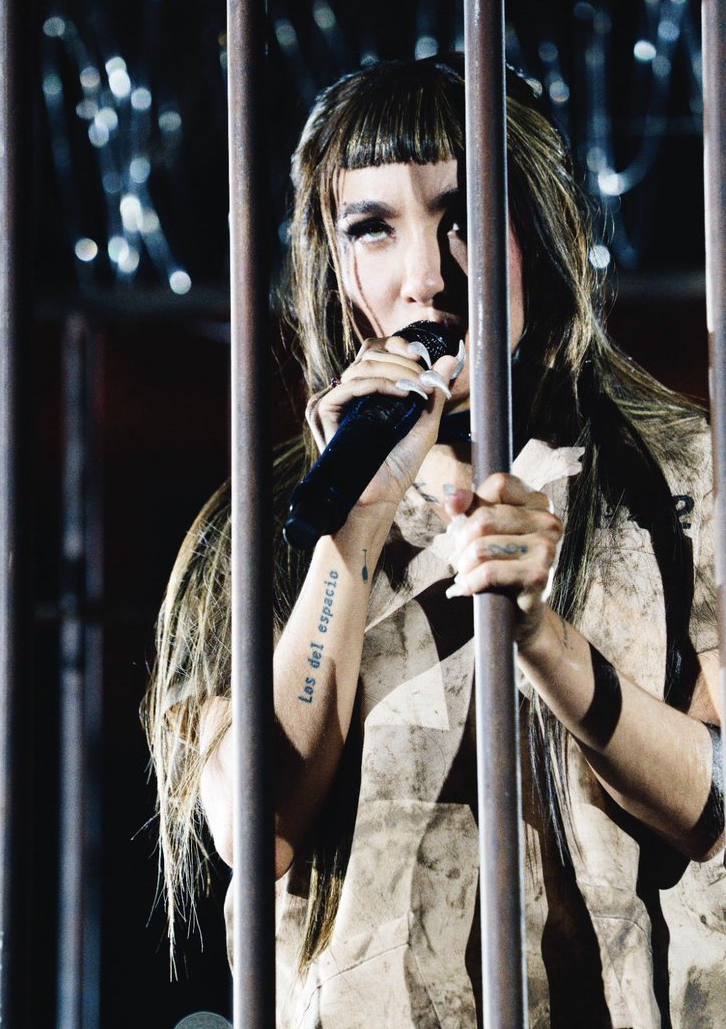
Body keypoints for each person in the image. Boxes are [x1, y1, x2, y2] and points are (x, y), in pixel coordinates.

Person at [144, 57, 725, 1027]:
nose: (427, 275)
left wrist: (540, 634)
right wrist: (352, 529)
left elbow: (713, 799)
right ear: (334, 265)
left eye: (464, 215)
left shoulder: (676, 481)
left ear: (538, 231)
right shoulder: (251, 531)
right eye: (373, 227)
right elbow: (255, 829)